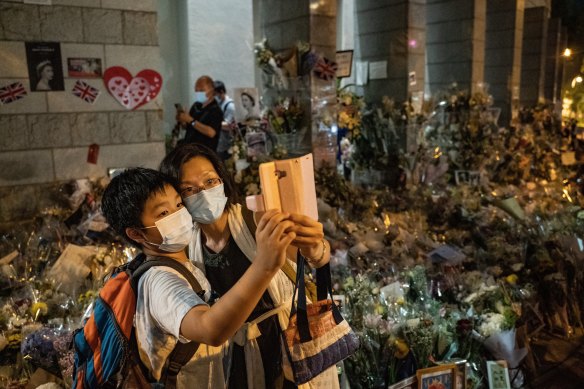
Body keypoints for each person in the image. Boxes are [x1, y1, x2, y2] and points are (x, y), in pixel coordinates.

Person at [160, 144, 340, 389]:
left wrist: (316, 247)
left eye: (210, 181)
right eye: (189, 189)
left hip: (283, 344)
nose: (203, 192)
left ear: (222, 180)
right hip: (230, 354)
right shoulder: (187, 246)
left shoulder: (256, 222)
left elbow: (312, 255)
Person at [100, 167, 296, 388]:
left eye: (178, 204)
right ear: (136, 233)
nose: (178, 215)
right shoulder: (160, 282)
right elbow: (210, 329)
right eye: (163, 214)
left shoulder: (183, 263)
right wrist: (265, 266)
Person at [177, 75, 223, 151]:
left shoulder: (215, 110)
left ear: (211, 90)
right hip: (189, 149)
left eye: (201, 90)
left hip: (204, 152)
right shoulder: (196, 106)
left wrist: (191, 120)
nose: (198, 93)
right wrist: (183, 120)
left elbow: (211, 132)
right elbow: (189, 127)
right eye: (196, 90)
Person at [214, 80, 236, 160]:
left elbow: (228, 125)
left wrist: (213, 123)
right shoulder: (219, 104)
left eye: (215, 94)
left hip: (225, 145)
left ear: (222, 92)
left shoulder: (230, 106)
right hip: (218, 144)